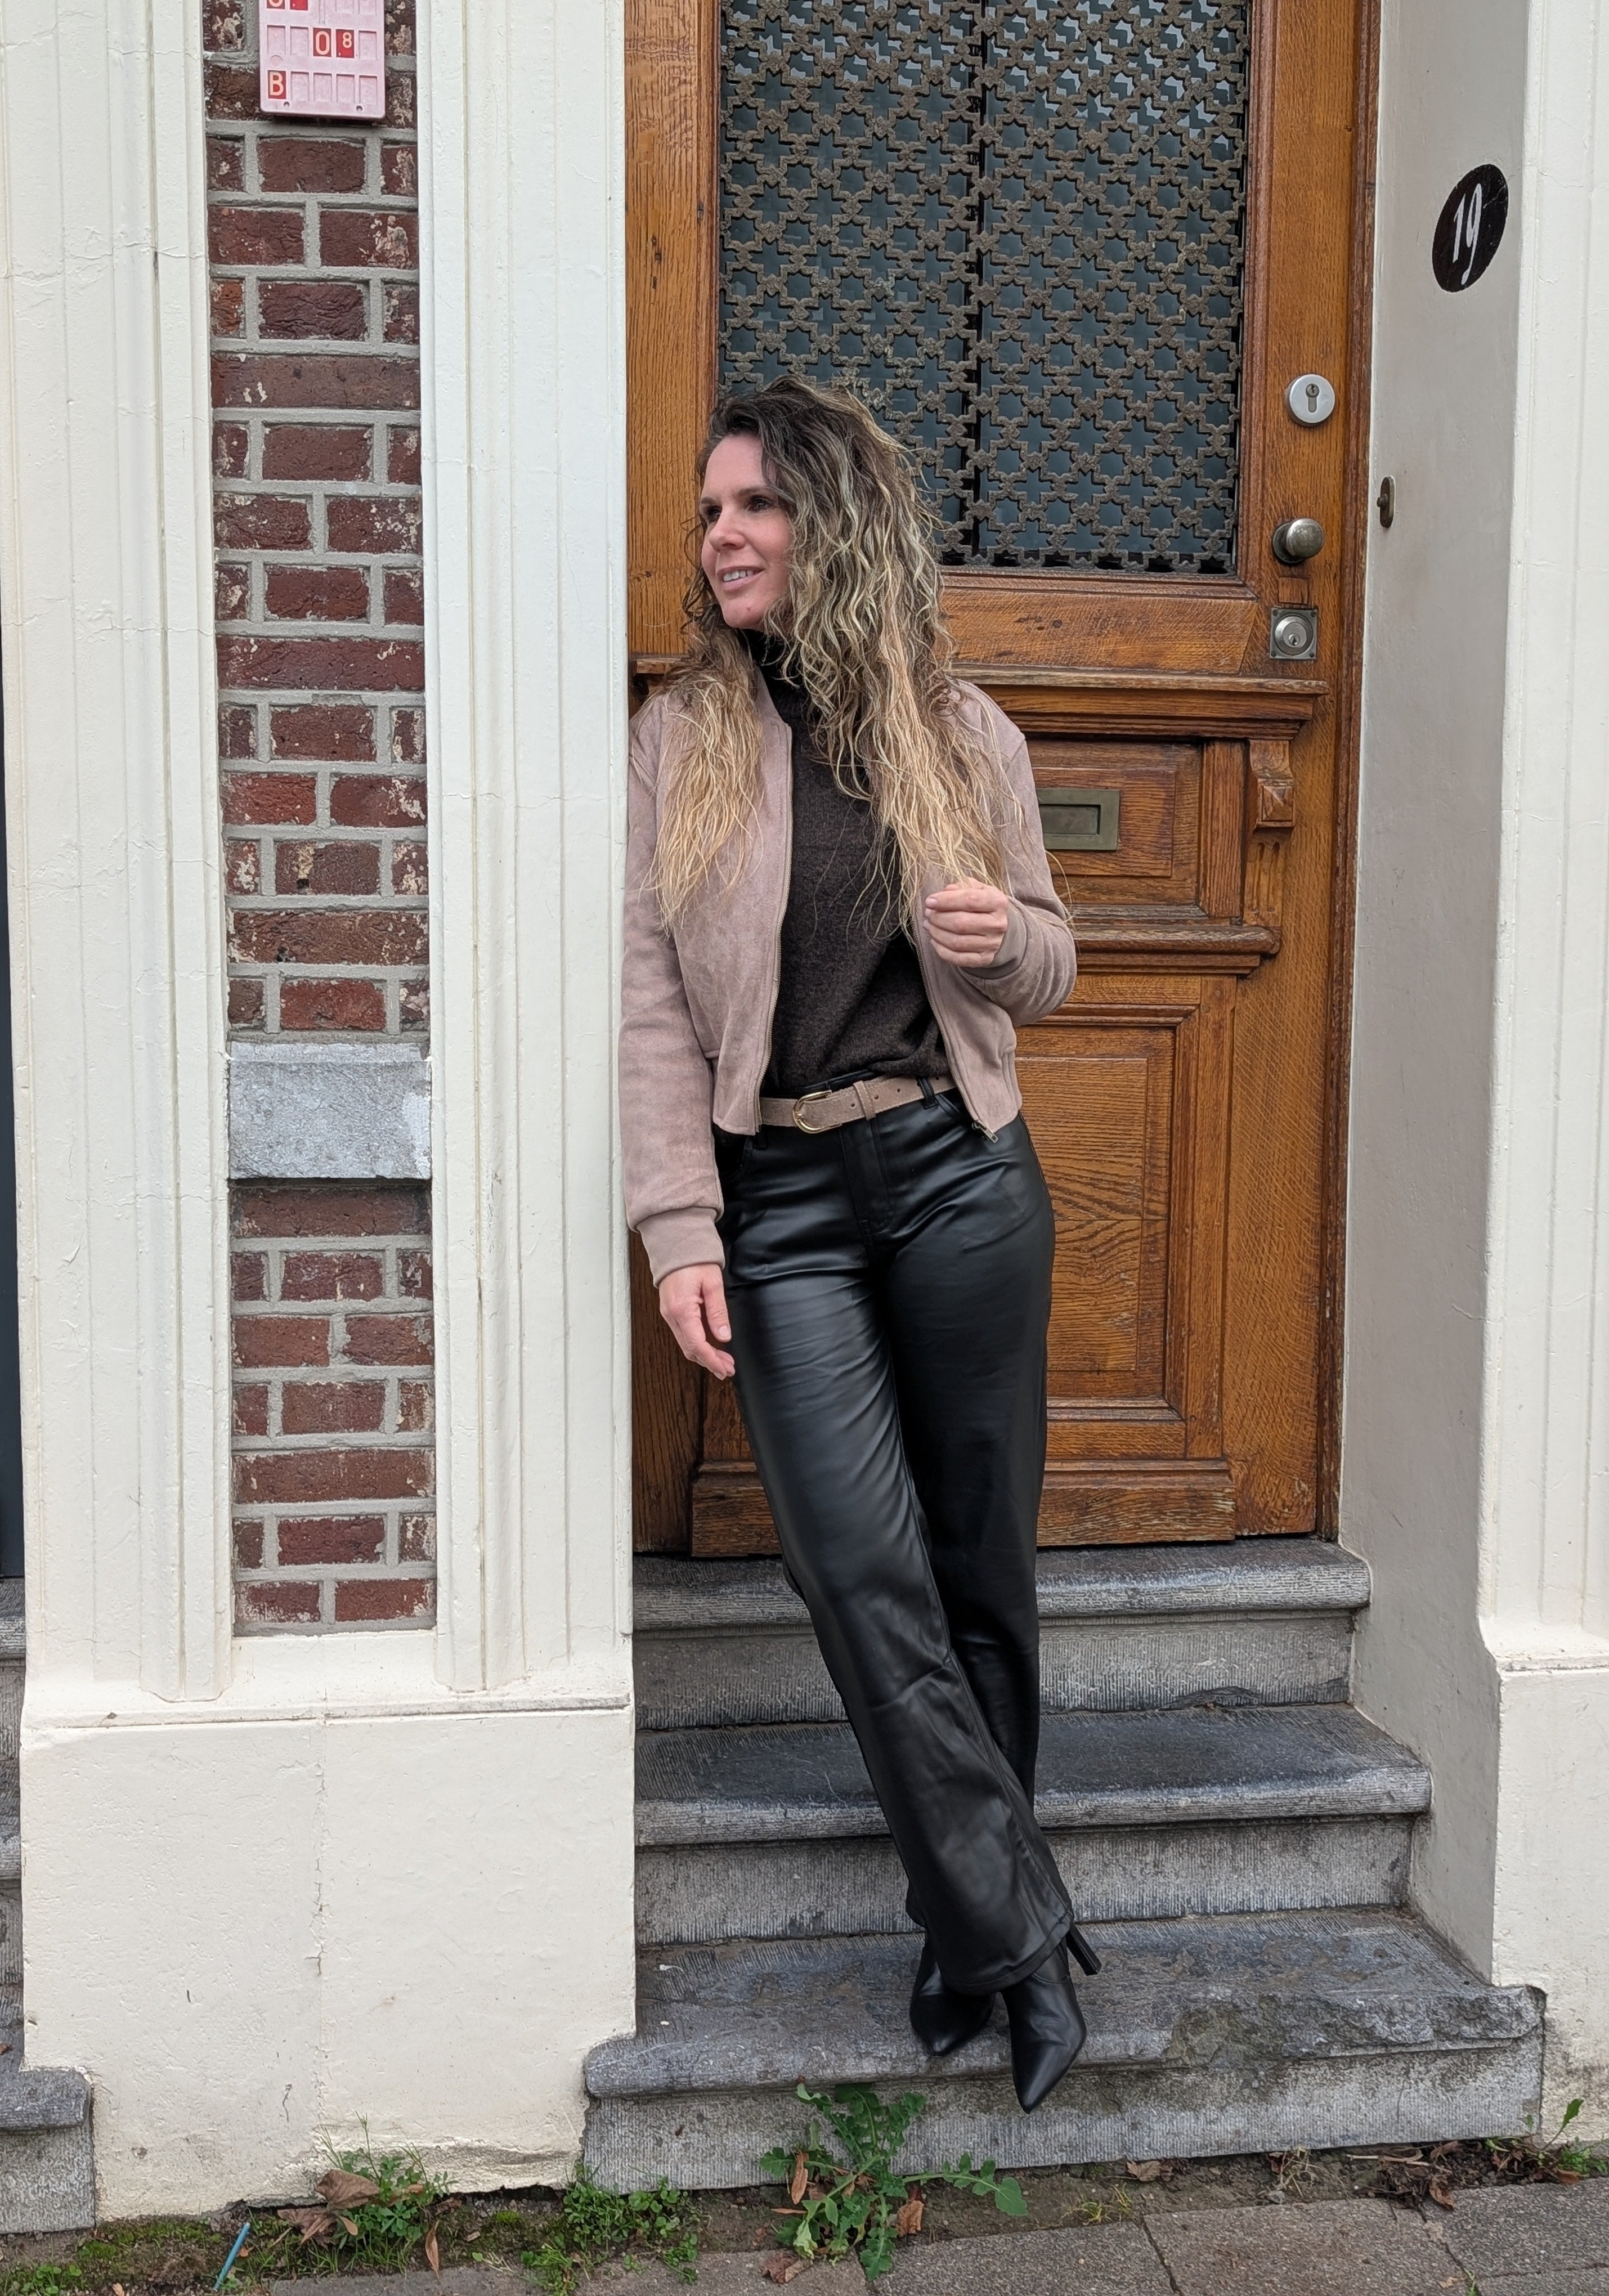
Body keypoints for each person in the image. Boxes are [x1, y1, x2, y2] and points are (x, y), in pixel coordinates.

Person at [618, 375, 1095, 2113]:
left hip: (960, 1175)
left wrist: (997, 940)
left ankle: (966, 1936)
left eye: (756, 506)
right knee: (852, 1570)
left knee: (978, 1570)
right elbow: (652, 1008)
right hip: (787, 1205)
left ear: (837, 525)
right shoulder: (682, 738)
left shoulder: (958, 731)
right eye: (710, 511)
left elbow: (1053, 959)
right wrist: (680, 1223)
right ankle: (1023, 1935)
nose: (723, 536)